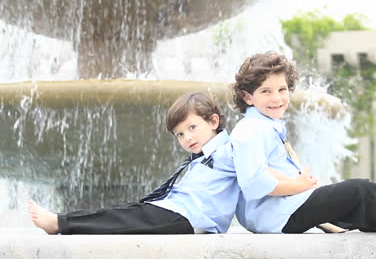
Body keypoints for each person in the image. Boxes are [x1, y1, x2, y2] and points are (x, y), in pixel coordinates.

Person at [230, 51, 376, 234]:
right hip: (275, 216)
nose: (277, 98)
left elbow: (263, 171)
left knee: (352, 203)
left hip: (277, 212)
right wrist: (300, 186)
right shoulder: (252, 129)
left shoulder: (261, 126)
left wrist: (300, 183)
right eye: (266, 92)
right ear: (247, 97)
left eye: (282, 89)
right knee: (359, 190)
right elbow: (254, 183)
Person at [29, 92, 239, 234]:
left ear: (213, 121)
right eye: (180, 134)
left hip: (187, 218)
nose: (187, 138)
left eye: (192, 127)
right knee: (125, 212)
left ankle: (58, 223)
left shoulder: (228, 151)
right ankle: (61, 221)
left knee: (122, 218)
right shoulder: (200, 157)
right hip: (176, 213)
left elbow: (257, 171)